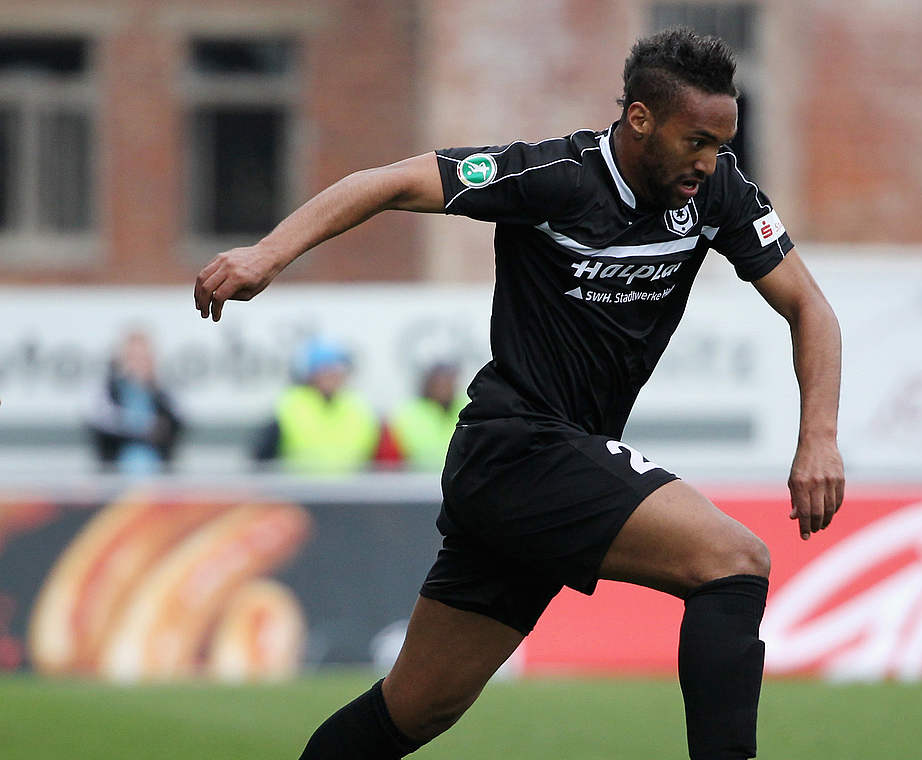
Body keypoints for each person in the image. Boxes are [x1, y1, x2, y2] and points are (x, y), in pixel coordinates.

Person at [194, 28, 843, 760]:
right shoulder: (553, 177)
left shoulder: (717, 192)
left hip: (542, 475)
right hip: (517, 447)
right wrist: (265, 254)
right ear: (639, 120)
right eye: (696, 140)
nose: (710, 160)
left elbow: (809, 307)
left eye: (723, 143)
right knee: (733, 559)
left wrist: (818, 435)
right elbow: (390, 181)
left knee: (414, 709)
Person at [252, 336, 380, 474]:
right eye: (326, 370)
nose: (333, 376)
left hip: (351, 493)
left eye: (337, 371)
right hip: (297, 492)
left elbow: (376, 460)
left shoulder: (359, 408)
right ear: (310, 374)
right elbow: (261, 461)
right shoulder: (289, 407)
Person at [86, 329, 183, 474]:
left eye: (144, 358)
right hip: (115, 480)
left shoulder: (164, 395)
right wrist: (143, 428)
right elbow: (101, 422)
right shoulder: (110, 391)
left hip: (159, 480)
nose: (138, 364)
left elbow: (177, 423)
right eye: (133, 358)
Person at [376, 362, 468, 470]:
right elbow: (390, 464)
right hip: (417, 484)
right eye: (438, 379)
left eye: (448, 378)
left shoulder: (470, 409)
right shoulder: (406, 416)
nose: (443, 385)